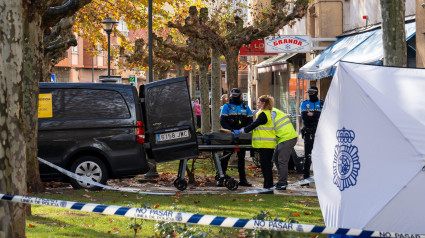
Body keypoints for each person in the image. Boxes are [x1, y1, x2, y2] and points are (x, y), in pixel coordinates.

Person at [236, 95, 276, 192]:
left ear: (264, 104)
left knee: (265, 167)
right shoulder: (267, 113)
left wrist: (242, 131)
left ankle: (268, 188)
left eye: (259, 102)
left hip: (265, 144)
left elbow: (254, 124)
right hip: (267, 144)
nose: (257, 104)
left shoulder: (263, 114)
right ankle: (268, 186)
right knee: (266, 166)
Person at [219, 88, 253, 187]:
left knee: (241, 158)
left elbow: (250, 120)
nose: (235, 97)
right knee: (225, 157)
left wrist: (243, 129)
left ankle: (243, 179)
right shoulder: (227, 106)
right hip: (229, 135)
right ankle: (221, 178)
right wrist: (231, 130)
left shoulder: (245, 107)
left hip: (241, 135)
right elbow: (223, 121)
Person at [300, 86, 324, 181]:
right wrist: (317, 116)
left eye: (312, 92)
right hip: (309, 131)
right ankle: (306, 178)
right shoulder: (305, 103)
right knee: (308, 155)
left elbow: (325, 116)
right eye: (308, 92)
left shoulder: (322, 103)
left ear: (316, 92)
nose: (310, 94)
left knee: (321, 154)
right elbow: (304, 117)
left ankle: (321, 178)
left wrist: (313, 114)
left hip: (321, 131)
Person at [271, 107, 298, 190]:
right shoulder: (274, 111)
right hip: (283, 138)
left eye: (259, 103)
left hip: (287, 138)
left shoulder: (272, 113)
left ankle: (282, 183)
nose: (258, 105)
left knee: (282, 161)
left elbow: (270, 126)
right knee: (276, 158)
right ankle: (282, 181)